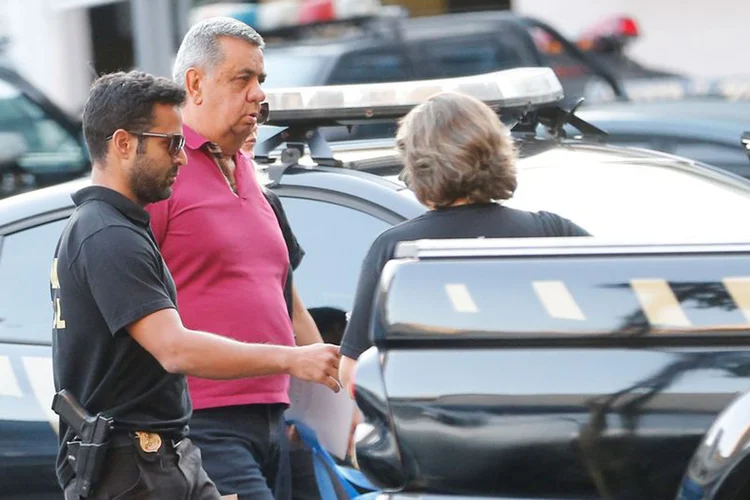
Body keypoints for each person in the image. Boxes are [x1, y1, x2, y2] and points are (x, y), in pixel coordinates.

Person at [51, 71, 341, 500]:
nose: (183, 158)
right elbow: (175, 349)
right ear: (124, 144)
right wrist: (291, 358)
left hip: (162, 459)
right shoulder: (106, 235)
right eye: (171, 143)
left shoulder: (117, 228)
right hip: (132, 471)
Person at [145, 17, 324, 500]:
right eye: (241, 79)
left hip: (274, 419)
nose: (257, 94)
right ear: (195, 84)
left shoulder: (250, 173)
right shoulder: (161, 174)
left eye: (260, 80)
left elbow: (288, 305)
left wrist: (334, 403)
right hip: (201, 422)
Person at [338, 91, 591, 392]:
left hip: (439, 427)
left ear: (419, 165)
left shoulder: (396, 248)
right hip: (548, 418)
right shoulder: (552, 231)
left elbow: (353, 371)